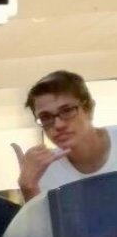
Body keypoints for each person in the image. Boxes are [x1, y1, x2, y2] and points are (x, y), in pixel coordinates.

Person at [13, 70, 117, 199]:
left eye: (67, 111)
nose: (58, 125)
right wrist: (29, 187)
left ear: (89, 109)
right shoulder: (44, 171)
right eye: (45, 117)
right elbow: (45, 213)